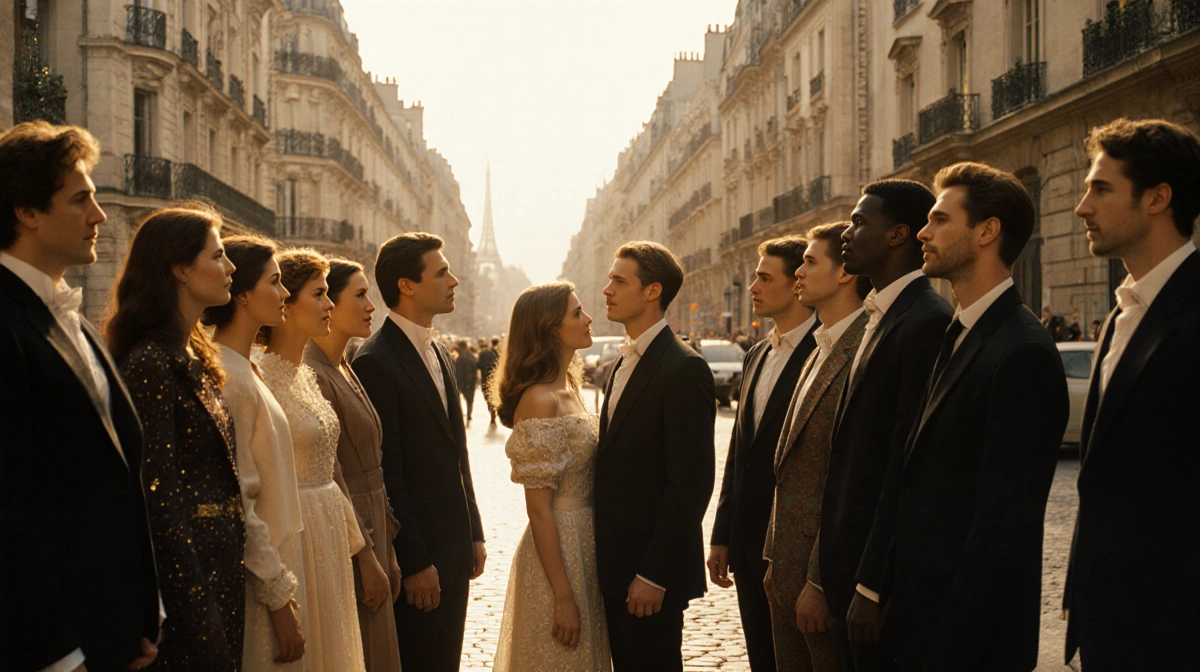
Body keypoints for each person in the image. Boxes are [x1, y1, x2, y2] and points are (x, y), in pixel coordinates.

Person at [883, 162, 1068, 670]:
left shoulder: (1021, 350)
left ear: (987, 231)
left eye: (940, 219)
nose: (923, 230)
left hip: (962, 642)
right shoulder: (958, 330)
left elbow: (1002, 529)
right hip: (918, 621)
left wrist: (951, 648)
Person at [0, 121, 161, 672]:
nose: (100, 215)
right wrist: (60, 656)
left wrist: (144, 616)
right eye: (81, 199)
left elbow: (116, 481)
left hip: (113, 636)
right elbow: (9, 509)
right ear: (27, 212)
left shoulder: (74, 320)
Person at [1065, 118, 1200, 671]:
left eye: (1101, 188)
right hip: (1110, 626)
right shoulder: (1123, 310)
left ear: (1157, 199)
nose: (1082, 207)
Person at [106, 205, 246, 669]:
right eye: (218, 255)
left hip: (220, 568)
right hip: (190, 583)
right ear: (181, 269)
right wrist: (193, 607)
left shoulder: (193, 355)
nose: (230, 268)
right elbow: (158, 497)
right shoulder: (151, 362)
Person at [823, 180, 953, 671]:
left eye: (860, 222)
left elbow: (904, 463)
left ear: (899, 234)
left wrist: (871, 583)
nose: (846, 235)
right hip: (846, 563)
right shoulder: (881, 313)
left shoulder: (925, 321)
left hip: (875, 579)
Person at [352, 233, 486, 672]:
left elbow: (457, 455)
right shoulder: (375, 360)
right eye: (442, 271)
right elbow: (388, 473)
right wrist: (414, 560)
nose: (454, 279)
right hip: (421, 558)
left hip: (454, 547)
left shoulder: (441, 351)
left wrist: (475, 530)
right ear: (407, 285)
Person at [595, 241, 716, 672]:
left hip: (649, 574)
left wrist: (654, 574)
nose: (606, 289)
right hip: (614, 565)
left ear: (652, 291)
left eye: (619, 280)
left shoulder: (683, 367)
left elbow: (691, 484)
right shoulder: (620, 364)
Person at [709, 235, 818, 672]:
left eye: (763, 277)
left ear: (797, 284)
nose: (752, 286)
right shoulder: (756, 354)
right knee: (761, 657)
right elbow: (739, 453)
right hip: (747, 543)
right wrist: (722, 532)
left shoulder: (822, 351)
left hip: (794, 546)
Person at [764, 222, 869, 672]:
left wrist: (819, 579)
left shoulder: (864, 344)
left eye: (809, 261)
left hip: (821, 574)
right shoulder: (819, 345)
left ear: (845, 272)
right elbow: (792, 467)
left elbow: (851, 476)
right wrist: (773, 554)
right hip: (787, 567)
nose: (799, 273)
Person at [491, 282, 611, 671]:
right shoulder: (540, 399)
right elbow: (539, 510)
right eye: (577, 313)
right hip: (558, 549)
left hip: (588, 542)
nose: (589, 318)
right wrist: (562, 596)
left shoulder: (571, 388)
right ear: (551, 328)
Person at [257, 249, 367, 672]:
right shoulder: (261, 376)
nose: (330, 305)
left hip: (328, 540)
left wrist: (362, 552)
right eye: (320, 294)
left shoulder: (304, 374)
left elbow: (329, 472)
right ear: (285, 302)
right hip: (292, 541)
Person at [205, 236, 308, 670]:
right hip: (259, 582)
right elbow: (242, 499)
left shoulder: (246, 369)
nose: (285, 293)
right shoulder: (228, 376)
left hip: (276, 568)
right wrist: (277, 595)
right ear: (243, 295)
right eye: (276, 282)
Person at [306, 257, 405, 672]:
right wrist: (366, 554)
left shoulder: (346, 365)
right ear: (329, 301)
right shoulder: (314, 373)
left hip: (374, 522)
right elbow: (334, 472)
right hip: (350, 531)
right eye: (360, 295)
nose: (371, 306)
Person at [454, 339, 480, 423]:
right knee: (470, 400)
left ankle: (463, 414)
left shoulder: (461, 357)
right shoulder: (471, 356)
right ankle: (469, 414)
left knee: (460, 399)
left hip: (462, 382)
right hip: (470, 382)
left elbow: (459, 370)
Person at [478, 336, 501, 425]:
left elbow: (478, 366)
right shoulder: (499, 353)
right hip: (496, 378)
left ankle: (492, 412)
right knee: (495, 396)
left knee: (488, 398)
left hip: (485, 378)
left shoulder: (483, 353)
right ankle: (494, 411)